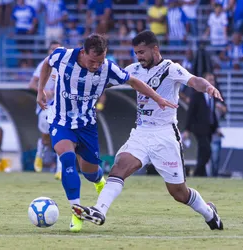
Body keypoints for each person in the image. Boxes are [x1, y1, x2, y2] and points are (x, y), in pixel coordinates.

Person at [71, 31, 224, 231]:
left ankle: (209, 212)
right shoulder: (133, 69)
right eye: (136, 53)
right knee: (119, 168)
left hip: (165, 135)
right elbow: (105, 82)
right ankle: (99, 210)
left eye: (142, 52)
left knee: (179, 193)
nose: (139, 57)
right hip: (141, 132)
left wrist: (209, 87)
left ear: (155, 49)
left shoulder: (171, 69)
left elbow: (195, 81)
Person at [37, 33, 177, 233]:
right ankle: (77, 213)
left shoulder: (108, 69)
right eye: (93, 61)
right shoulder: (63, 56)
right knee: (67, 159)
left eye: (100, 61)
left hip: (87, 125)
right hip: (61, 121)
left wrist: (158, 98)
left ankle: (98, 181)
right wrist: (40, 90)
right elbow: (46, 64)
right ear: (83, 52)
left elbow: (134, 82)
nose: (96, 65)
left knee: (90, 173)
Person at [29, 40, 61, 179]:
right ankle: (40, 152)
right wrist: (42, 91)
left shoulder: (65, 65)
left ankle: (60, 170)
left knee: (62, 136)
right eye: (52, 49)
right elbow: (31, 84)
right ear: (48, 51)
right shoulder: (44, 64)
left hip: (60, 105)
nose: (54, 51)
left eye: (57, 49)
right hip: (45, 106)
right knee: (47, 138)